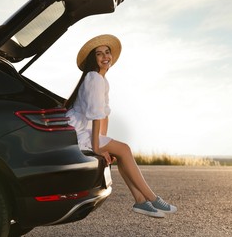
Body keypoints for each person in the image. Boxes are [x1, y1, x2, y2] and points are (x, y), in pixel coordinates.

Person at [65, 34, 177, 218]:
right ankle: (151, 197)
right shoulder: (93, 78)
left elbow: (104, 115)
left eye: (107, 52)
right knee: (125, 149)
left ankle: (141, 202)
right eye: (99, 54)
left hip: (85, 130)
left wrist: (105, 142)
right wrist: (98, 148)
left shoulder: (101, 80)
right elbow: (96, 116)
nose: (105, 57)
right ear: (93, 59)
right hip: (77, 131)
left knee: (122, 151)